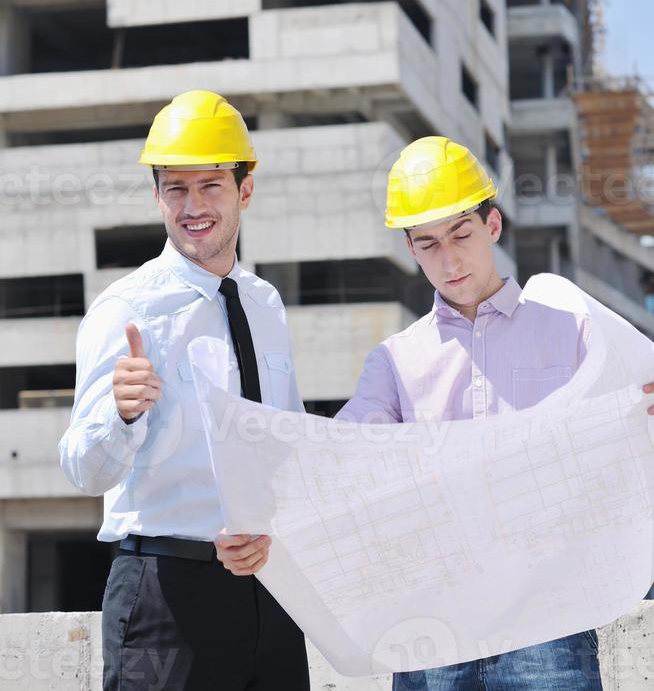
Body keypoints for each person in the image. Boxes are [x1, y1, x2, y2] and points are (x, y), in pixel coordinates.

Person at [334, 135, 654, 691]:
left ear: (493, 226)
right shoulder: (394, 362)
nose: (450, 259)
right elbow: (343, 458)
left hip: (548, 620)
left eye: (461, 233)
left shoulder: (572, 333)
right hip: (433, 627)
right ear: (411, 249)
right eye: (428, 243)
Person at [58, 90, 310, 691]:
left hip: (272, 592)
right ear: (158, 196)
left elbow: (288, 445)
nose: (192, 206)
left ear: (245, 190)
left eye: (210, 186)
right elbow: (81, 471)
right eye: (176, 188)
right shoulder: (127, 309)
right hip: (166, 596)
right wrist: (119, 415)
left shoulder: (265, 305)